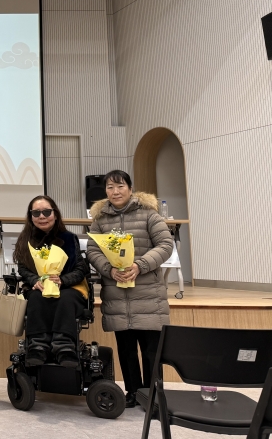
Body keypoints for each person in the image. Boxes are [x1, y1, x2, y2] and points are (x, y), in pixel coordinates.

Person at [86, 170, 173, 408]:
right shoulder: (100, 220)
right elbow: (92, 250)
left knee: (151, 350)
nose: (115, 192)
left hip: (147, 293)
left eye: (120, 186)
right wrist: (109, 269)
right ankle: (133, 392)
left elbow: (166, 244)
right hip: (117, 292)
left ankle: (153, 396)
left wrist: (140, 265)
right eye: (110, 187)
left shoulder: (149, 214)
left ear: (131, 189)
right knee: (126, 349)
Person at [14, 195, 89, 368]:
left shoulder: (69, 238)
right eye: (36, 213)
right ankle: (37, 346)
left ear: (55, 214)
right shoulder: (25, 239)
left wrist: (62, 280)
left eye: (46, 212)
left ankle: (64, 346)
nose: (42, 216)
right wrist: (34, 280)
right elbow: (23, 269)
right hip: (38, 286)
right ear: (31, 216)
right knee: (36, 296)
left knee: (66, 298)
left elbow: (80, 269)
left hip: (68, 286)